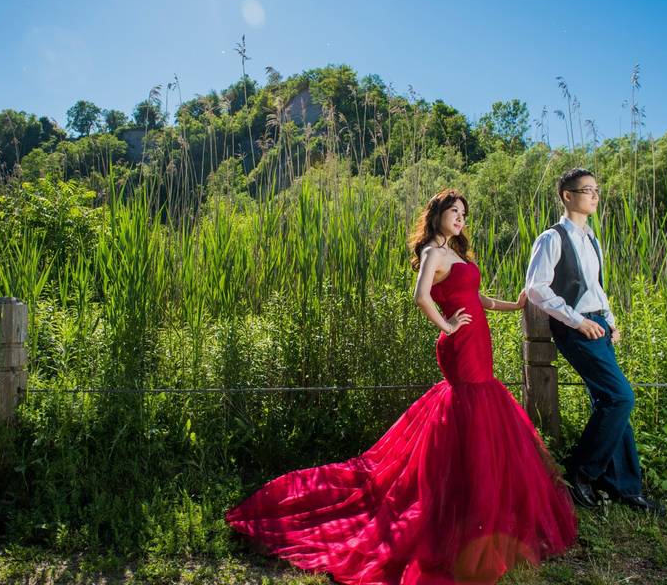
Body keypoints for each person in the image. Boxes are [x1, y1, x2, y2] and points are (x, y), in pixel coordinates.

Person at [227, 188, 576, 584]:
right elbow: (421, 296)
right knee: (471, 404)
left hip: (478, 341)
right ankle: (461, 512)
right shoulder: (433, 252)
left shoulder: (456, 253)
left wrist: (511, 306)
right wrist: (447, 326)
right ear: (437, 214)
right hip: (460, 345)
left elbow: (474, 297)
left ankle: (474, 504)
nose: (460, 218)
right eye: (453, 211)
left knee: (480, 409)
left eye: (464, 213)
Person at [525, 167, 663, 515]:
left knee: (609, 400)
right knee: (620, 397)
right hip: (577, 328)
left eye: (597, 190)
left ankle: (625, 486)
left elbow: (596, 288)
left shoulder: (592, 239)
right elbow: (537, 288)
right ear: (567, 195)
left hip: (599, 325)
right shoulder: (552, 238)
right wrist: (578, 320)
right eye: (587, 190)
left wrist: (610, 321)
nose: (595, 196)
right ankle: (581, 471)